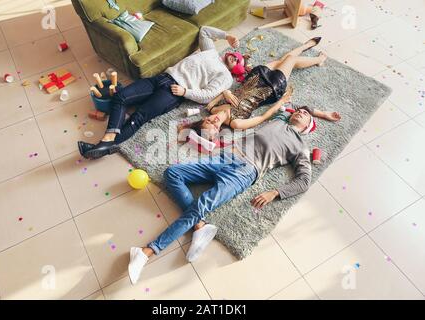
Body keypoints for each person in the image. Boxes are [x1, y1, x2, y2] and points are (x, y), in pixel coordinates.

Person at [127, 104, 341, 285]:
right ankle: (200, 227)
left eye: (306, 115)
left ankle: (147, 252)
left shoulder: (300, 147)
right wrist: (318, 113)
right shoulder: (280, 119)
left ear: (307, 127)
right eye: (299, 111)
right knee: (172, 173)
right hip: (225, 156)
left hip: (245, 172)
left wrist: (275, 192)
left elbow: (304, 180)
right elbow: (294, 106)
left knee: (201, 204)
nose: (301, 112)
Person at [78, 26, 240, 160]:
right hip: (161, 78)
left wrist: (185, 91)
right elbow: (204, 30)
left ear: (237, 71)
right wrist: (227, 36)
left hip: (174, 92)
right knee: (120, 97)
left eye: (239, 62)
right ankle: (107, 143)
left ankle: (103, 145)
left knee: (139, 116)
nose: (236, 58)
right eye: (237, 56)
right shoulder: (211, 51)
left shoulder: (226, 77)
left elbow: (207, 95)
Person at [181, 38, 331, 139]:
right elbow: (263, 117)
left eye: (209, 121)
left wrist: (225, 93)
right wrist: (282, 101)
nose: (214, 120)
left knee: (281, 60)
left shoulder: (212, 108)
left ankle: (306, 46)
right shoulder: (236, 123)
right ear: (218, 130)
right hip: (271, 88)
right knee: (290, 60)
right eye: (215, 125)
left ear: (204, 119)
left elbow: (223, 91)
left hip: (254, 78)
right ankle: (319, 60)